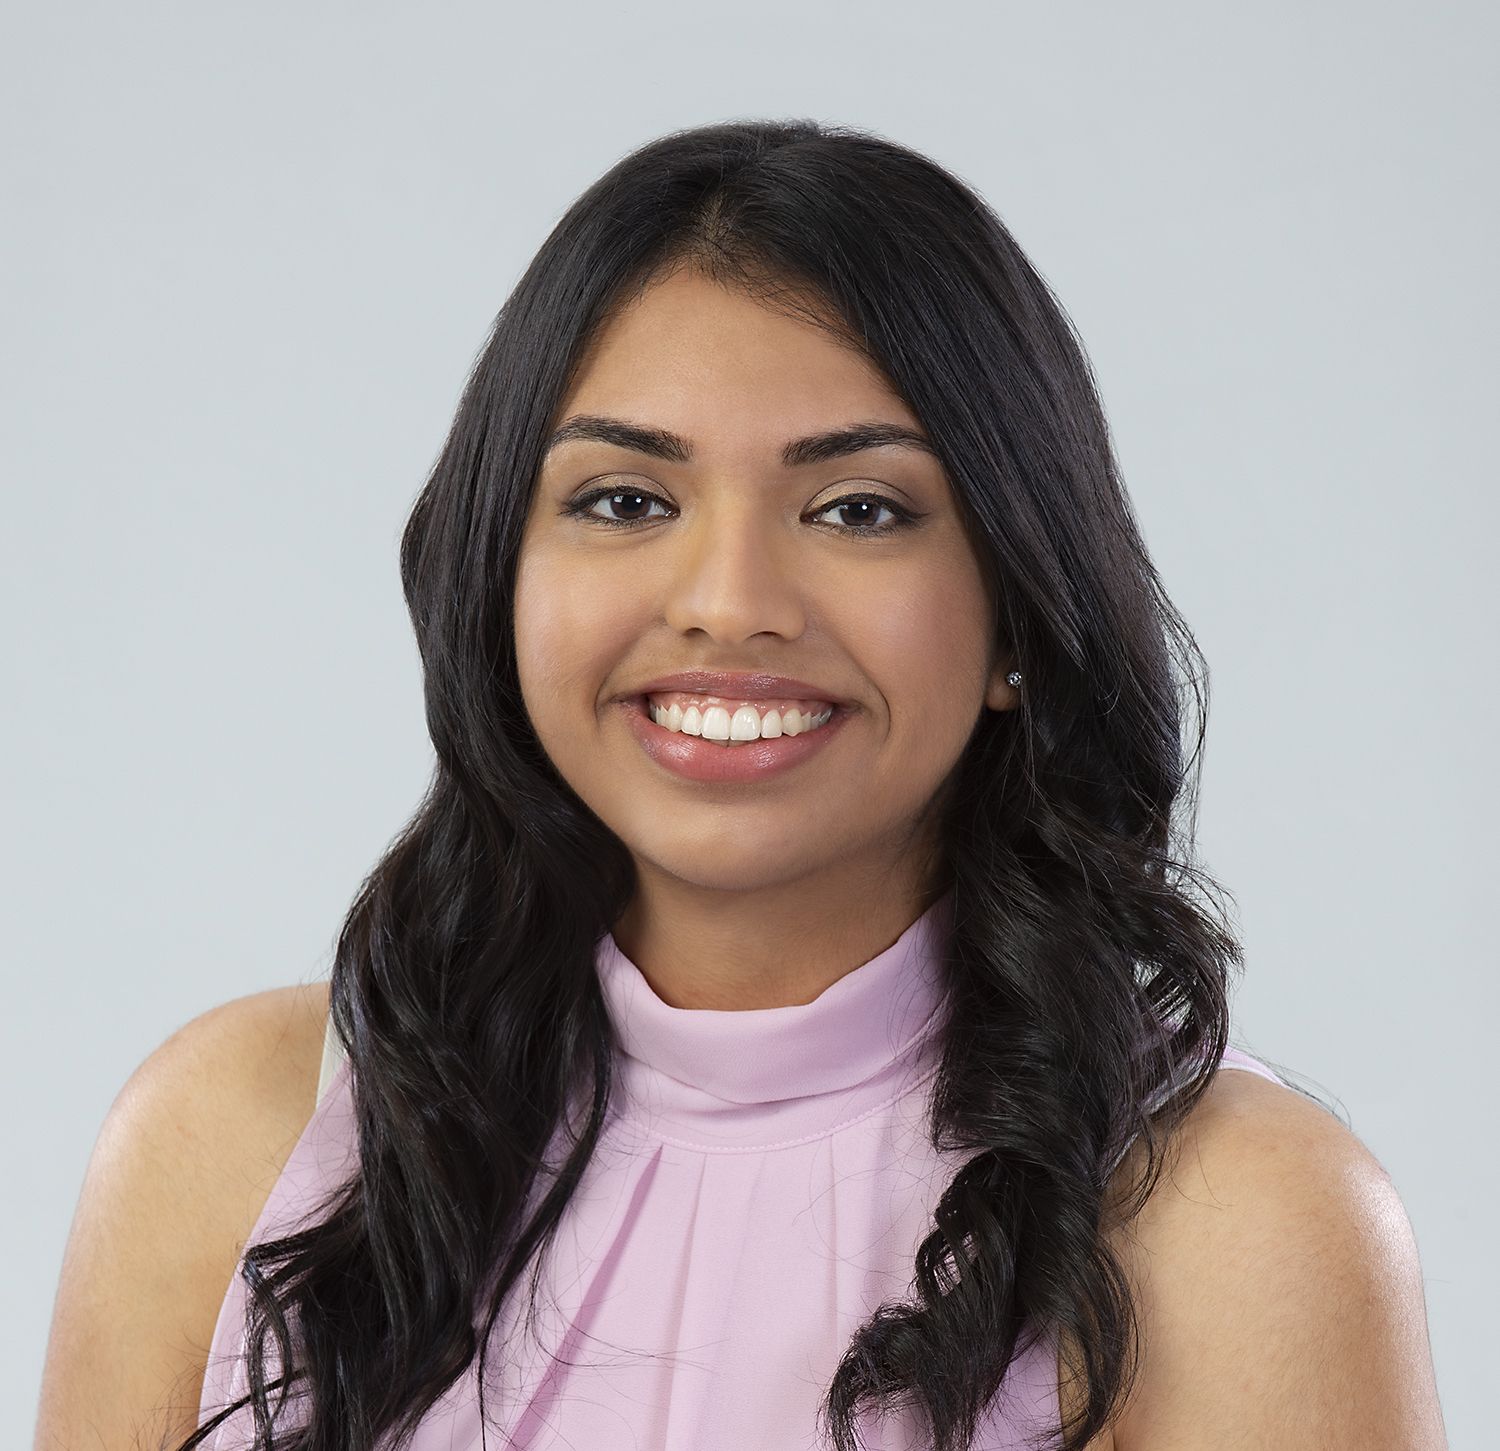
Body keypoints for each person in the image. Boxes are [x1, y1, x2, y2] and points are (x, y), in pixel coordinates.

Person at [35, 121, 1445, 1451]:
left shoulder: (1241, 1223)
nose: (729, 603)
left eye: (859, 509)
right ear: (499, 582)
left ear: (1019, 614)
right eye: (626, 501)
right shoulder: (231, 1143)